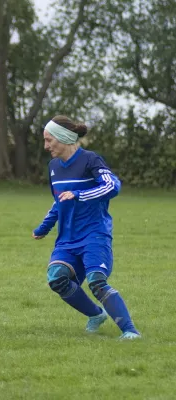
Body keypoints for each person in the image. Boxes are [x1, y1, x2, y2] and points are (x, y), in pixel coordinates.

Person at [32, 115, 141, 340]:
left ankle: (130, 331)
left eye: (49, 140)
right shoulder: (53, 167)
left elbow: (113, 186)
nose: (46, 146)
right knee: (56, 277)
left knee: (96, 281)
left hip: (94, 235)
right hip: (67, 239)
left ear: (63, 138)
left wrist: (79, 194)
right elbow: (59, 200)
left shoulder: (91, 160)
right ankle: (95, 314)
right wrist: (44, 227)